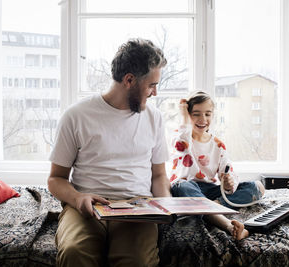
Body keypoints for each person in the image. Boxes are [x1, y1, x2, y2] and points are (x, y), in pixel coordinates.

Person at [48, 38, 171, 267]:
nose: (155, 92)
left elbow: (158, 175)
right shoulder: (76, 116)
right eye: (152, 85)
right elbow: (56, 178)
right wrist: (77, 198)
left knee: (137, 261)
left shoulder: (155, 118)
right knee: (74, 252)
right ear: (129, 80)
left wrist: (165, 205)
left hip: (137, 206)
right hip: (87, 206)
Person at [169, 91, 265, 240]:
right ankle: (227, 225)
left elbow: (228, 171)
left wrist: (228, 183)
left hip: (209, 191)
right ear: (188, 116)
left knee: (257, 187)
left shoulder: (218, 145)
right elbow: (180, 136)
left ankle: (209, 208)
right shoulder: (183, 139)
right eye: (196, 114)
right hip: (188, 188)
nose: (203, 119)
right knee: (181, 185)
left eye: (208, 114)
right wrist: (183, 117)